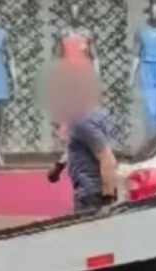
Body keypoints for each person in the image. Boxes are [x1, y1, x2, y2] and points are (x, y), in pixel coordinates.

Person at [45, 67, 118, 213]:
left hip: (91, 195)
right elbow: (83, 143)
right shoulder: (94, 114)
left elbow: (107, 158)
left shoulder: (82, 121)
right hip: (91, 192)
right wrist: (59, 166)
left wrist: (107, 200)